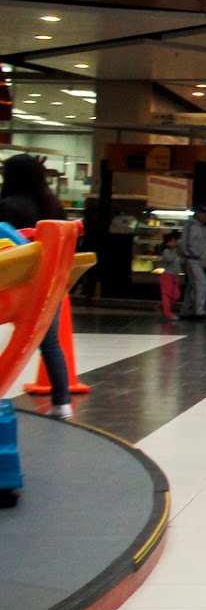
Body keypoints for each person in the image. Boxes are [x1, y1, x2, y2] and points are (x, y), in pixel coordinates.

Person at [0, 154, 75, 419]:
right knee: (50, 342)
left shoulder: (7, 206)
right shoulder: (53, 206)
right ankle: (62, 402)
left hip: (13, 284)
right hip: (49, 284)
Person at [178, 203, 206, 319]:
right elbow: (187, 244)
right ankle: (199, 311)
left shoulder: (202, 228)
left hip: (199, 261)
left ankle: (187, 310)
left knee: (192, 286)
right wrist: (193, 255)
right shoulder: (191, 226)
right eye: (203, 213)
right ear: (198, 214)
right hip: (193, 260)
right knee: (201, 284)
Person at [157, 230, 183, 321]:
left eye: (174, 241)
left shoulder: (175, 252)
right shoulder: (166, 251)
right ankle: (168, 312)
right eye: (171, 241)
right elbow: (169, 259)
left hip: (174, 276)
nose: (174, 243)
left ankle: (162, 306)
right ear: (167, 243)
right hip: (167, 276)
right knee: (167, 294)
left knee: (175, 294)